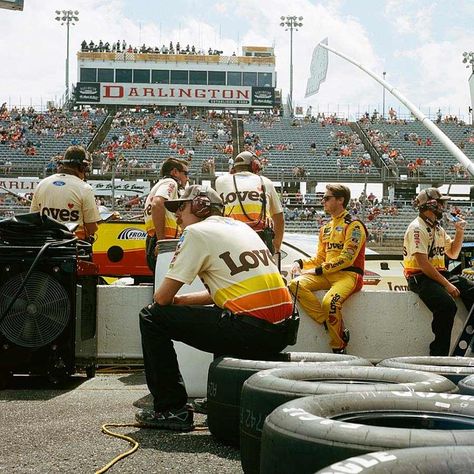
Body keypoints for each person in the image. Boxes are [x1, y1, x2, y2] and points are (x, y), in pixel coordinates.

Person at [135, 185, 295, 431]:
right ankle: (221, 400)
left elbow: (161, 299)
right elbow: (227, 292)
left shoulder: (196, 232)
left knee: (151, 316)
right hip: (281, 332)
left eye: (181, 207)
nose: (176, 215)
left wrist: (173, 301)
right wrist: (183, 302)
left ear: (201, 206)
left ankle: (171, 410)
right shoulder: (241, 228)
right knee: (223, 315)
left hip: (251, 332)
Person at [288, 184, 367, 354]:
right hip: (327, 274)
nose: (322, 201)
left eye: (326, 198)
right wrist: (300, 263)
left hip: (349, 276)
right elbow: (319, 258)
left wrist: (318, 271)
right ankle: (328, 322)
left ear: (340, 200)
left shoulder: (354, 225)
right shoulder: (326, 227)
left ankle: (338, 347)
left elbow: (347, 259)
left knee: (329, 302)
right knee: (295, 284)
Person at [403, 187, 474, 356]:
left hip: (438, 274)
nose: (444, 206)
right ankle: (438, 354)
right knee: (446, 305)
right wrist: (447, 285)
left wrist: (459, 231)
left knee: (472, 290)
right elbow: (423, 264)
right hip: (419, 277)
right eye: (441, 203)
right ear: (431, 205)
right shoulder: (417, 228)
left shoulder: (438, 228)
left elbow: (453, 253)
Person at [215, 151, 284, 254]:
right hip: (261, 242)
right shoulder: (266, 182)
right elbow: (279, 218)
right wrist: (276, 245)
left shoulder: (220, 181)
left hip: (232, 240)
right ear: (255, 166)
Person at [30, 145, 100, 241]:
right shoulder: (85, 188)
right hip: (72, 248)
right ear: (82, 167)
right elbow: (92, 228)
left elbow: (33, 218)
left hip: (45, 246)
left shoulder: (42, 184)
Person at [143, 157, 189, 272]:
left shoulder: (158, 185)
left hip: (154, 238)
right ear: (174, 172)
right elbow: (157, 204)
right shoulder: (171, 182)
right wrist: (162, 242)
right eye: (185, 173)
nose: (187, 178)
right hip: (164, 242)